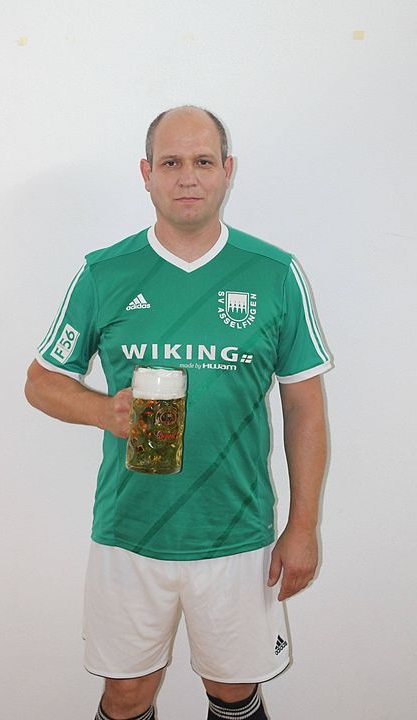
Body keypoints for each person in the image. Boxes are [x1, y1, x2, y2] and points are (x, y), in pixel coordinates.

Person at [25, 106, 332, 720]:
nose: (187, 176)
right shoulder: (105, 272)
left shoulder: (274, 273)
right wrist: (104, 411)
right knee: (126, 692)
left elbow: (304, 406)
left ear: (228, 171)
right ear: (146, 174)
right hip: (129, 531)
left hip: (237, 532)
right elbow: (41, 382)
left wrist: (302, 527)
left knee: (233, 690)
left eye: (202, 162)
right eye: (170, 162)